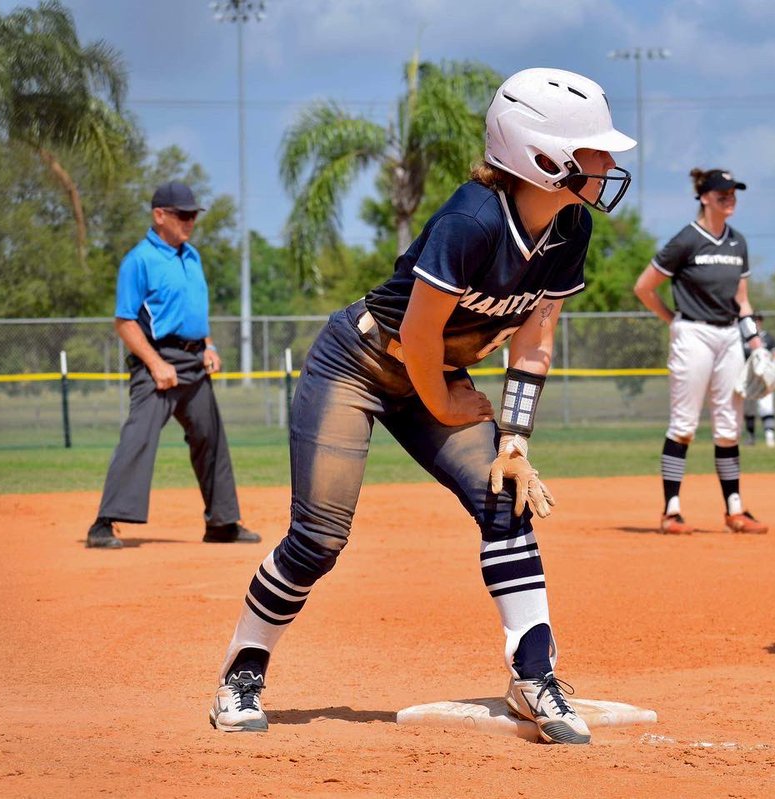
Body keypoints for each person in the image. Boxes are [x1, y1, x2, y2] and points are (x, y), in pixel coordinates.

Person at [208, 68, 635, 744]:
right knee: (319, 538)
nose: (608, 164)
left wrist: (514, 440)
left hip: (433, 372)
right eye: (593, 150)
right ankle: (242, 671)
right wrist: (446, 400)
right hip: (361, 363)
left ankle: (533, 676)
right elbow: (418, 335)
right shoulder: (470, 219)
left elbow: (535, 340)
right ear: (541, 156)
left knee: (506, 495)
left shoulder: (569, 228)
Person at [85, 181, 260, 549]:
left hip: (194, 361)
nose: (190, 221)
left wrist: (208, 345)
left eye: (193, 215)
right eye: (183, 214)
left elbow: (195, 312)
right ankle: (104, 524)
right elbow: (125, 321)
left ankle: (222, 523)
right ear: (159, 215)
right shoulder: (139, 260)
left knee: (211, 438)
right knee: (139, 436)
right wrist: (155, 363)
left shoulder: (191, 256)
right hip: (157, 361)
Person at [633, 169, 769, 536]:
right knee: (684, 424)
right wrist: (673, 320)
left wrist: (755, 341)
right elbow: (644, 286)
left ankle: (735, 510)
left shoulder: (737, 242)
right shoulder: (686, 240)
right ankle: (671, 511)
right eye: (722, 192)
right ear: (704, 197)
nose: (730, 197)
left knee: (728, 426)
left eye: (733, 192)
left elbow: (741, 300)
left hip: (729, 338)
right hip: (692, 333)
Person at [742, 313, 775, 448]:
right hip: (748, 378)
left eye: (758, 320)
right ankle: (751, 437)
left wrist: (773, 366)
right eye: (753, 320)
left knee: (766, 406)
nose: (756, 322)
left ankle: (770, 437)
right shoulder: (743, 338)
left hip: (764, 378)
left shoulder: (768, 338)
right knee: (749, 409)